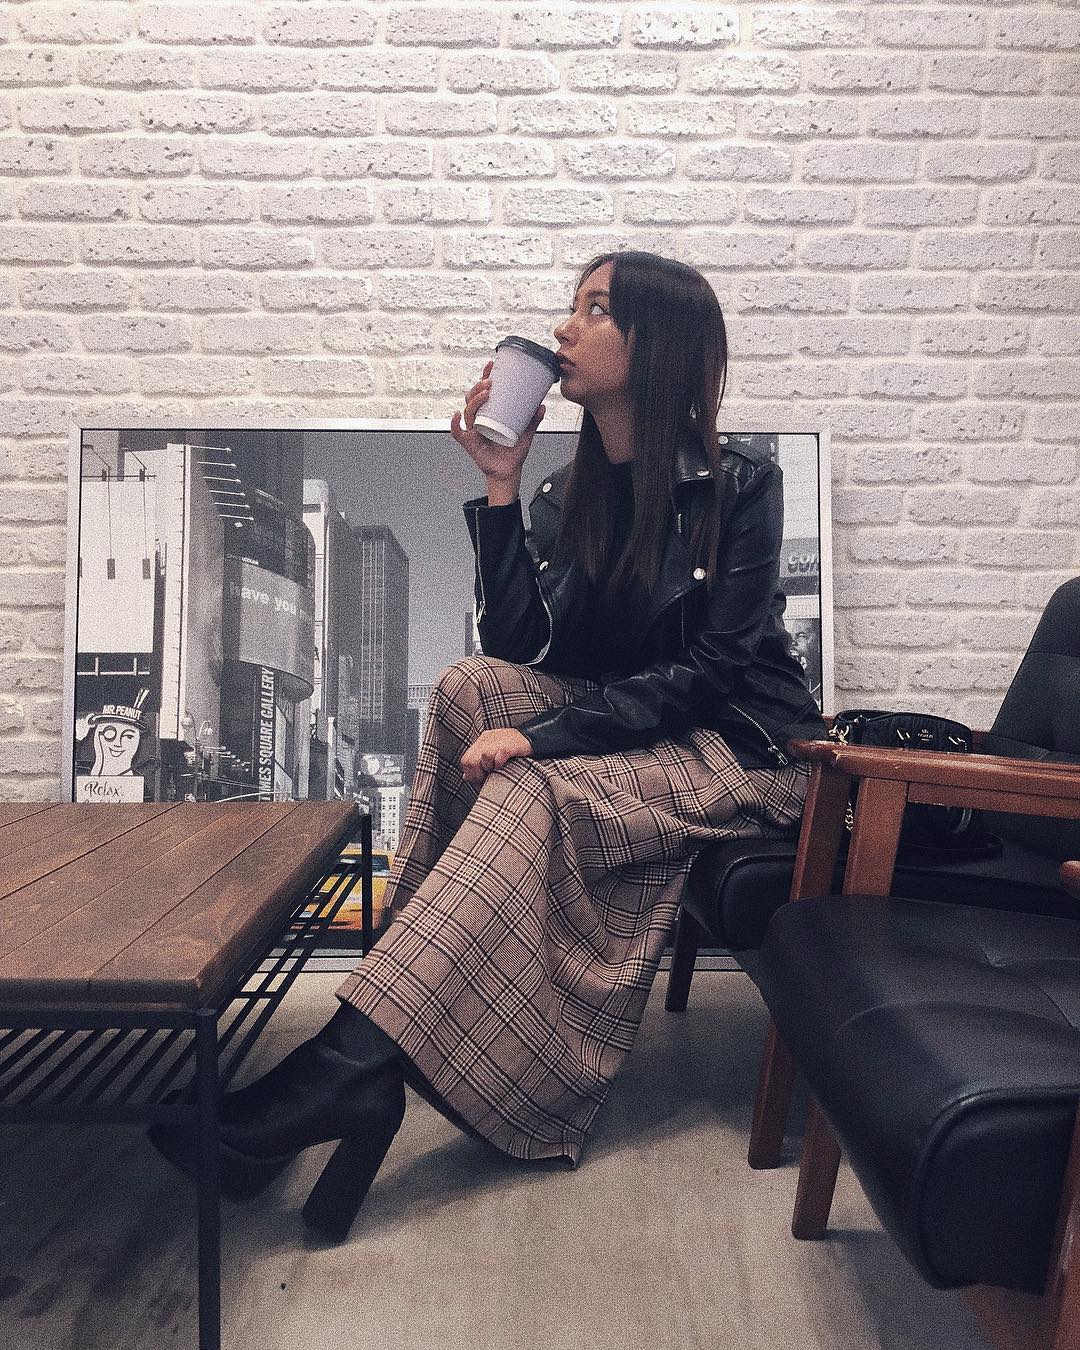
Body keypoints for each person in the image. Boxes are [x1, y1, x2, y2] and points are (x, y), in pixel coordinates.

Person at [150, 250, 826, 1241]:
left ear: (658, 344)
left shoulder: (739, 485)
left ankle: (345, 1066)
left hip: (744, 748)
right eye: (572, 306)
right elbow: (519, 646)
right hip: (637, 726)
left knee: (528, 784)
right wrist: (502, 490)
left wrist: (546, 738)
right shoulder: (568, 495)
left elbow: (716, 669)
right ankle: (377, 1047)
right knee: (469, 686)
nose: (563, 329)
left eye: (596, 309)